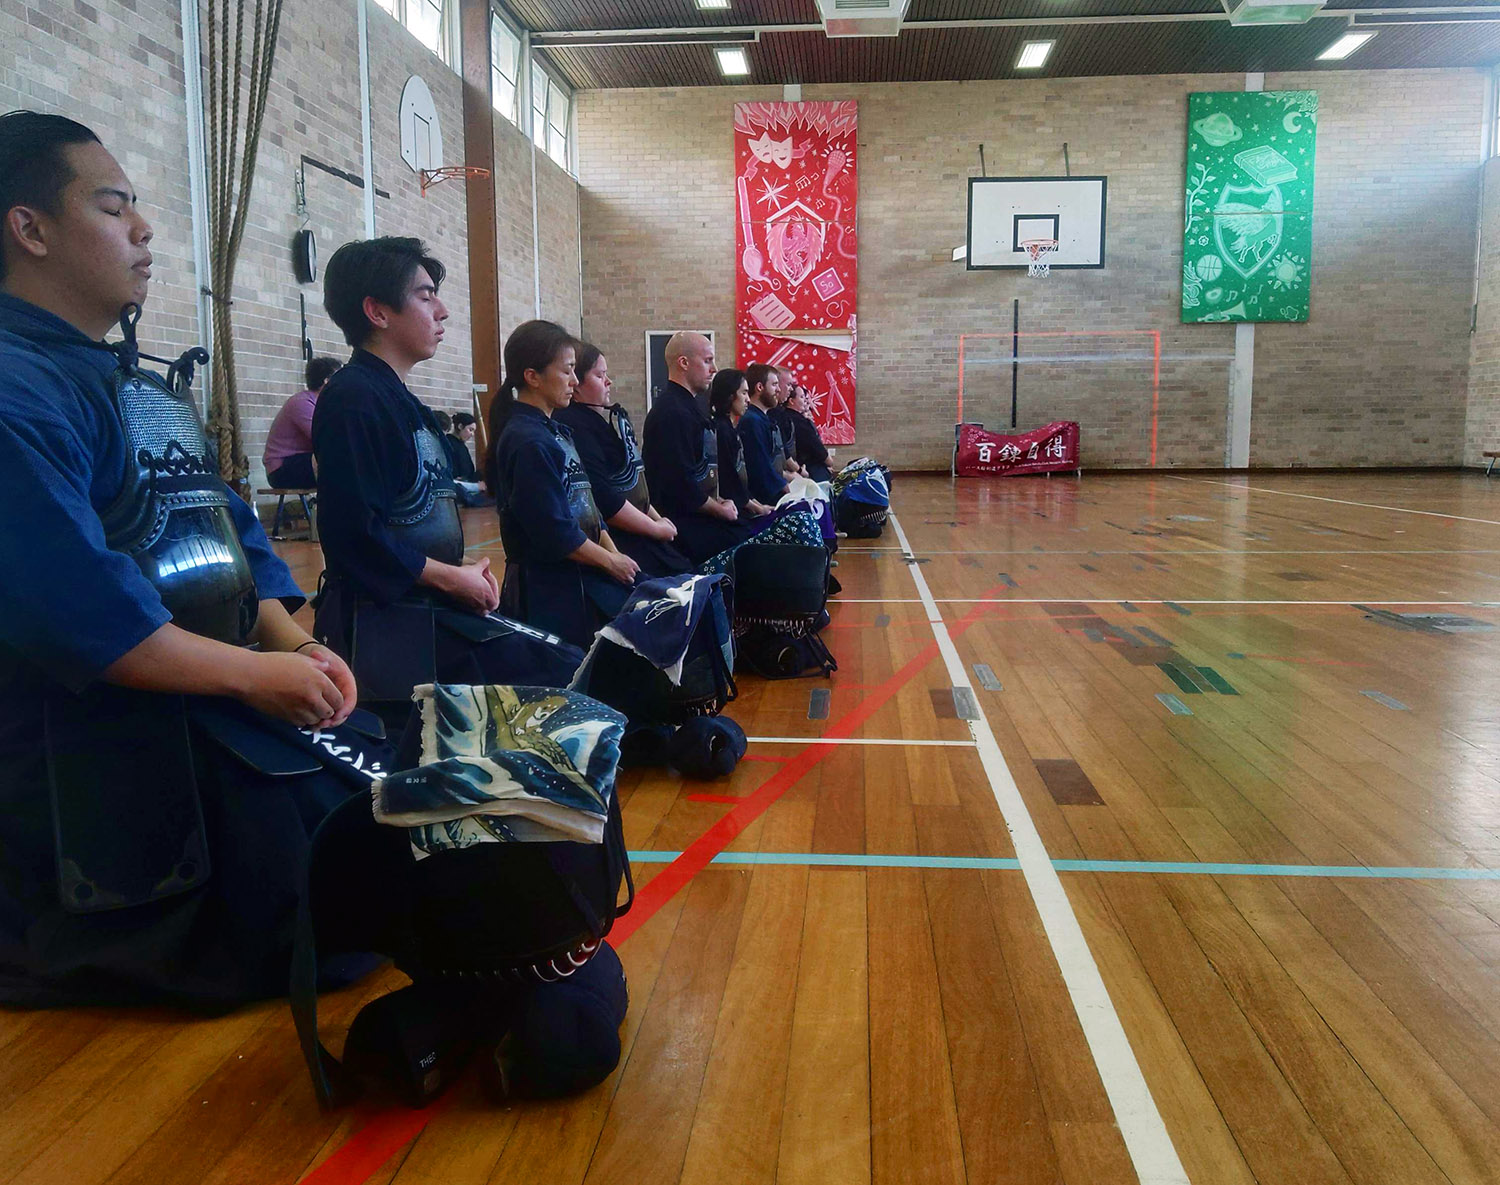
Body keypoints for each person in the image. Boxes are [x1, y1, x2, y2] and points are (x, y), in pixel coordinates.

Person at [0, 110, 388, 1011]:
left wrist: (292, 644)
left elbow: (232, 536)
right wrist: (253, 678)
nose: (144, 229)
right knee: (342, 883)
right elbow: (90, 619)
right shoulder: (16, 389)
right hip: (100, 750)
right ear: (30, 229)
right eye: (114, 208)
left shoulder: (136, 385)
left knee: (383, 792)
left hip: (208, 695)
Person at [311, 238, 579, 715]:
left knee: (571, 662)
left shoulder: (399, 399)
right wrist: (451, 579)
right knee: (562, 680)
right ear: (377, 311)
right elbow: (353, 536)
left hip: (426, 604)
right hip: (387, 625)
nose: (443, 311)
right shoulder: (353, 398)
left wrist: (461, 573)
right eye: (425, 296)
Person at [488, 320, 640, 648]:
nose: (574, 381)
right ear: (533, 377)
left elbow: (589, 508)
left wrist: (615, 557)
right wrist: (609, 561)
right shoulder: (527, 440)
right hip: (551, 590)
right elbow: (553, 532)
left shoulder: (555, 432)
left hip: (582, 572)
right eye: (567, 370)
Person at [555, 342, 690, 577]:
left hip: (633, 525)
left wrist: (658, 521)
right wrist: (654, 529)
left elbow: (635, 488)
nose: (608, 382)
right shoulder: (574, 426)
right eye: (600, 376)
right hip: (618, 534)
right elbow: (603, 499)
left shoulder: (596, 422)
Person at [642, 331, 753, 565]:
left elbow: (702, 475)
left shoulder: (690, 408)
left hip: (698, 516)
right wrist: (719, 510)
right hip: (681, 526)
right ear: (683, 363)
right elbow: (680, 486)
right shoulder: (672, 413)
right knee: (750, 549)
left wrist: (720, 501)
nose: (714, 369)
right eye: (707, 361)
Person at [263, 355, 340, 489]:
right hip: (281, 468)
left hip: (300, 461)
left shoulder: (324, 403)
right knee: (339, 458)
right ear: (327, 381)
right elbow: (325, 438)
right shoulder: (302, 403)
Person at [708, 368, 773, 519]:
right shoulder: (721, 430)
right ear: (730, 396)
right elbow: (729, 481)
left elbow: (741, 484)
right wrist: (757, 508)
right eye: (744, 393)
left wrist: (759, 505)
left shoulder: (730, 428)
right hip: (731, 512)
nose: (748, 400)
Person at [738, 362, 792, 507]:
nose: (778, 390)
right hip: (766, 501)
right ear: (760, 387)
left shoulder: (763, 419)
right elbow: (761, 466)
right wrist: (786, 489)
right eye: (774, 384)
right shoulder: (751, 421)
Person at [784, 378, 833, 483]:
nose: (806, 401)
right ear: (791, 401)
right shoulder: (799, 422)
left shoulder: (785, 416)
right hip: (808, 470)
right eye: (802, 397)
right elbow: (817, 448)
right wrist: (828, 462)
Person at [443, 411, 491, 507]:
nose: (472, 434)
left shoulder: (461, 445)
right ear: (460, 426)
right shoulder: (449, 443)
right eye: (470, 430)